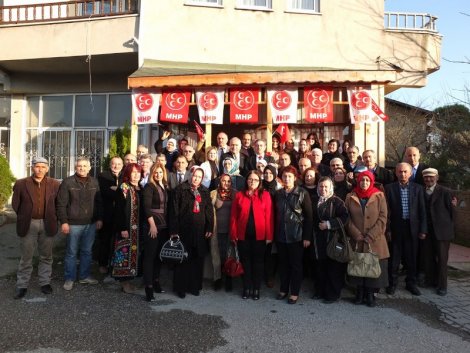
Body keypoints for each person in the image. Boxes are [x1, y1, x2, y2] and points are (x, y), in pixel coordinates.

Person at [12, 157, 60, 299]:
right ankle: (22, 285)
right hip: (28, 223)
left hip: (47, 223)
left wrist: (55, 217)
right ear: (32, 167)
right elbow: (16, 204)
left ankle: (45, 283)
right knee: (26, 256)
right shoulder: (21, 183)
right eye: (37, 166)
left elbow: (59, 203)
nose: (40, 169)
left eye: (43, 167)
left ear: (47, 168)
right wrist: (24, 215)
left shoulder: (54, 184)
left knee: (46, 255)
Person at [57, 157, 103, 291]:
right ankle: (69, 278)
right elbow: (61, 204)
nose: (82, 168)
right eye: (79, 166)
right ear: (75, 167)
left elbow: (99, 202)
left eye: (84, 166)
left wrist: (99, 218)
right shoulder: (68, 182)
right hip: (73, 224)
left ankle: (84, 276)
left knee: (87, 251)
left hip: (91, 223)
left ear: (89, 168)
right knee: (71, 252)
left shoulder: (94, 182)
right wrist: (64, 222)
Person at [345, 170, 389, 307]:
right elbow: (346, 218)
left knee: (372, 266)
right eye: (362, 180)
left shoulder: (379, 196)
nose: (364, 183)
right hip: (357, 239)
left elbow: (383, 218)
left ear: (371, 182)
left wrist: (371, 235)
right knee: (358, 266)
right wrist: (355, 233)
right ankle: (359, 293)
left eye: (367, 180)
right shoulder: (350, 196)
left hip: (375, 240)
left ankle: (370, 295)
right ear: (358, 181)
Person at [169, 167, 214, 298]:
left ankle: (194, 286)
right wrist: (174, 231)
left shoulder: (204, 191)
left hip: (200, 232)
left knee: (197, 260)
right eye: (195, 176)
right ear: (190, 175)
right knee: (183, 259)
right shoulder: (180, 189)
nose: (196, 179)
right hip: (183, 230)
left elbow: (209, 212)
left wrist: (209, 228)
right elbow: (174, 211)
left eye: (199, 177)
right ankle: (180, 288)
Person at [385, 163, 427, 296]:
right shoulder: (389, 188)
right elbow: (386, 212)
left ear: (410, 173)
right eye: (400, 172)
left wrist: (423, 229)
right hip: (396, 227)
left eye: (405, 172)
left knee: (411, 257)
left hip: (412, 228)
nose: (402, 174)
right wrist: (388, 230)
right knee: (394, 258)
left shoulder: (418, 189)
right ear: (396, 173)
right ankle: (392, 283)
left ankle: (411, 283)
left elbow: (422, 210)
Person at [230, 170, 273, 300]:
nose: (252, 181)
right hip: (243, 236)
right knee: (246, 263)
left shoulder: (265, 195)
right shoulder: (239, 195)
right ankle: (246, 287)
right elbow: (233, 217)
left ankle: (256, 288)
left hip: (260, 237)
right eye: (250, 179)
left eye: (255, 179)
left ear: (259, 182)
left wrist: (269, 236)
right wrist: (233, 234)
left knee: (258, 263)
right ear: (246, 180)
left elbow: (270, 217)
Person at [274, 166, 313, 304]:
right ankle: (283, 289)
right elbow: (275, 214)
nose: (287, 179)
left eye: (290, 176)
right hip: (281, 235)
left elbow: (309, 217)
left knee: (296, 265)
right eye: (284, 176)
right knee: (283, 264)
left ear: (295, 178)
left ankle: (294, 292)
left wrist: (307, 237)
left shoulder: (302, 193)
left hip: (297, 235)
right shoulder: (278, 194)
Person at [311, 176, 349, 304]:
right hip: (317, 239)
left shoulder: (337, 201)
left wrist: (328, 224)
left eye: (326, 186)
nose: (323, 189)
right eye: (321, 186)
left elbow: (345, 217)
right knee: (319, 267)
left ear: (331, 188)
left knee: (333, 268)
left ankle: (332, 294)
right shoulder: (314, 200)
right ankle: (319, 291)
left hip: (332, 239)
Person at [421, 168, 456, 296]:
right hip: (426, 231)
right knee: (428, 257)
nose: (428, 179)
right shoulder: (421, 191)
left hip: (442, 232)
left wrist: (449, 230)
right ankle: (430, 280)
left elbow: (452, 213)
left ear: (437, 177)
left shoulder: (446, 192)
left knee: (442, 259)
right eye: (426, 177)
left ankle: (442, 285)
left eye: (431, 177)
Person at [111, 163, 143, 294]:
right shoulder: (123, 188)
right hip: (126, 228)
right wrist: (122, 228)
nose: (136, 175)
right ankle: (124, 283)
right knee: (124, 254)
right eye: (133, 172)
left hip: (136, 229)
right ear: (128, 174)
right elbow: (118, 210)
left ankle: (129, 281)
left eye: (138, 172)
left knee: (132, 255)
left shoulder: (140, 188)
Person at [142, 162, 169, 301]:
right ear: (152, 173)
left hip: (164, 226)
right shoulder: (149, 187)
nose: (158, 174)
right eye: (156, 172)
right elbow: (146, 208)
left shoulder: (164, 186)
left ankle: (156, 281)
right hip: (152, 226)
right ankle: (149, 287)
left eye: (160, 172)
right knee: (150, 257)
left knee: (159, 256)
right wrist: (152, 225)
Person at [210, 174, 237, 291]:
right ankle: (217, 279)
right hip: (216, 230)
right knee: (216, 256)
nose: (226, 183)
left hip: (230, 230)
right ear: (219, 182)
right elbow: (208, 211)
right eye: (224, 181)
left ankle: (229, 279)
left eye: (229, 181)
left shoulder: (236, 194)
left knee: (229, 255)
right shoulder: (213, 193)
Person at [97, 156, 123, 275]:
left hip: (120, 214)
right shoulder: (103, 176)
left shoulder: (124, 176)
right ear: (110, 165)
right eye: (114, 164)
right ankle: (103, 264)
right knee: (105, 240)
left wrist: (116, 190)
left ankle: (116, 264)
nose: (116, 166)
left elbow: (124, 195)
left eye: (119, 164)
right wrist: (120, 191)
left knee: (118, 241)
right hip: (106, 214)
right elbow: (105, 192)